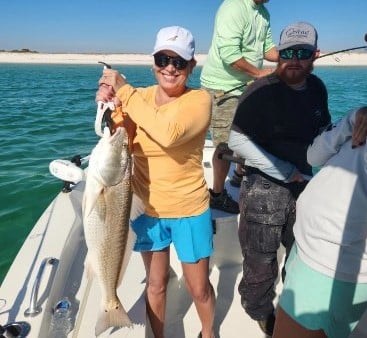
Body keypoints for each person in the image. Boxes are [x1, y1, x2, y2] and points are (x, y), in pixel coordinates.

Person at [96, 26, 215, 338]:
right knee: (156, 283)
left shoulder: (200, 101)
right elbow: (119, 136)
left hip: (190, 209)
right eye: (163, 59)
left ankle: (208, 331)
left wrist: (124, 92)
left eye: (179, 62)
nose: (170, 69)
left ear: (192, 66)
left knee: (199, 287)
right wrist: (107, 106)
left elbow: (169, 133)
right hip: (147, 209)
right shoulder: (139, 98)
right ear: (154, 62)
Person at [228, 22, 331, 336]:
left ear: (315, 54)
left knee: (301, 252)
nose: (294, 60)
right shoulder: (260, 90)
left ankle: (293, 304)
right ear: (277, 55)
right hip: (264, 189)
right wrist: (283, 169)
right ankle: (259, 310)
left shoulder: (317, 88)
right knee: (260, 262)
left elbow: (323, 130)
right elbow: (236, 140)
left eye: (302, 53)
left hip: (305, 186)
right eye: (287, 53)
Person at [273, 106, 367, 338]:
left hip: (331, 266)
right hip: (307, 249)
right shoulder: (360, 118)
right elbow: (313, 156)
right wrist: (351, 121)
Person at [200, 0, 278, 214]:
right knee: (224, 145)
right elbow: (230, 55)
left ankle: (238, 174)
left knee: (251, 131)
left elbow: (267, 48)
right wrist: (260, 73)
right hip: (222, 88)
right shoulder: (233, 7)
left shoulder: (263, 13)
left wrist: (290, 57)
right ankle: (216, 195)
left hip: (246, 85)